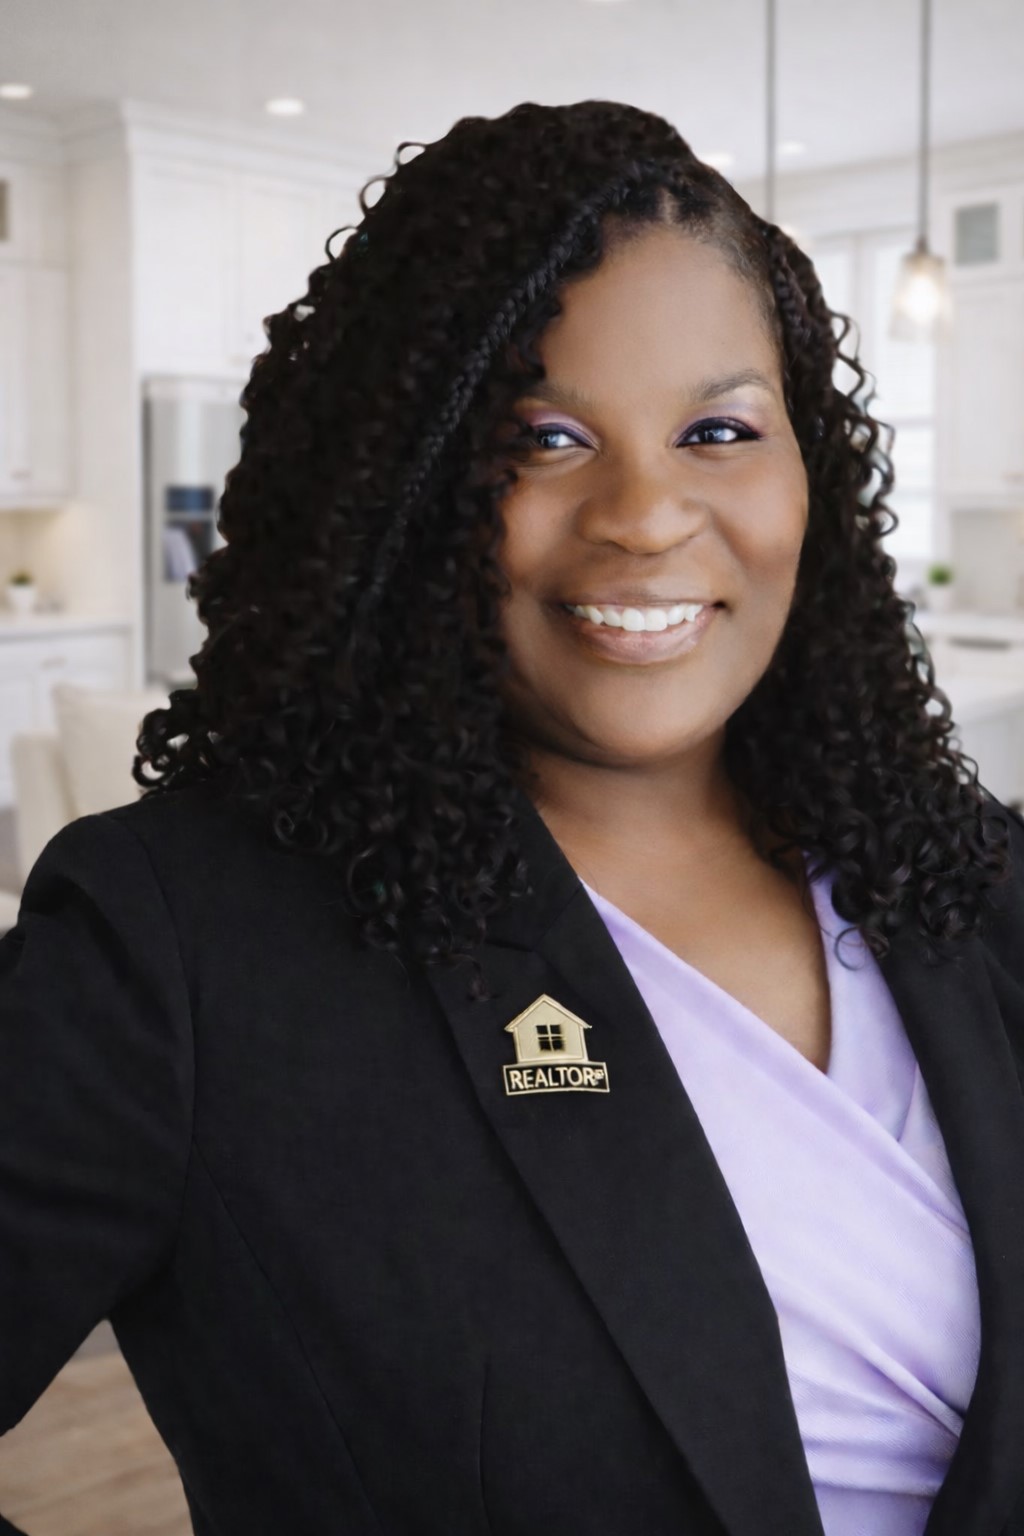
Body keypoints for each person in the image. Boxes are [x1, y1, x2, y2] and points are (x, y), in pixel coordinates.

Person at [2, 98, 1023, 1536]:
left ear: (815, 476)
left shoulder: (963, 880)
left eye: (719, 429)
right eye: (543, 438)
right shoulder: (180, 948)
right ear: (403, 486)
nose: (645, 513)